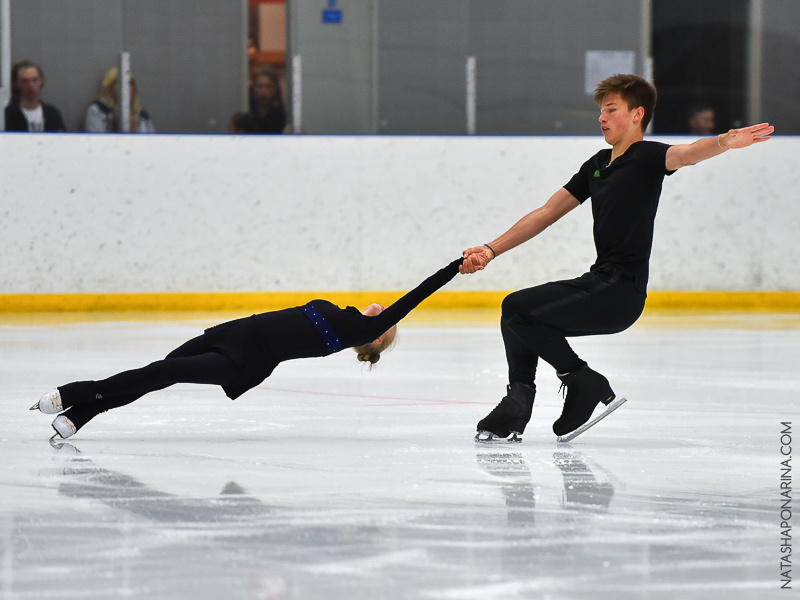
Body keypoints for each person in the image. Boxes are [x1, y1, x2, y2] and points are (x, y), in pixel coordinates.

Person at [460, 74, 773, 443]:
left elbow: (687, 154)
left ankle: (582, 380)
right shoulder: (597, 164)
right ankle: (519, 403)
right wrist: (491, 248)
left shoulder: (650, 157)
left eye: (611, 109)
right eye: (600, 111)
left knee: (517, 309)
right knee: (515, 313)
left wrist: (723, 141)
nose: (602, 118)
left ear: (637, 114)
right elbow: (546, 213)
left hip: (619, 291)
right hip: (600, 281)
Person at [31, 257, 464, 440]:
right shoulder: (345, 313)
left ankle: (73, 395)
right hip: (236, 332)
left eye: (388, 325)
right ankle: (83, 415)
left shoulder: (359, 329)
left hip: (244, 359)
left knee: (163, 374)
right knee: (162, 367)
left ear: (377, 337)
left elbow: (418, 293)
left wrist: (455, 267)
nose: (387, 311)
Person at [84, 67, 156, 133]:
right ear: (110, 87)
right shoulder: (98, 111)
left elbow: (152, 143)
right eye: (120, 82)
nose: (126, 87)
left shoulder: (142, 116)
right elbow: (96, 142)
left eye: (130, 83)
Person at [4, 60, 66, 132]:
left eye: (35, 80)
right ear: (17, 83)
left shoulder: (52, 114)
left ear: (41, 81)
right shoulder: (8, 115)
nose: (31, 85)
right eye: (25, 81)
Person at [246, 66, 286, 134]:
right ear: (253, 87)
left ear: (275, 89)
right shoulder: (246, 111)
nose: (264, 92)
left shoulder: (280, 115)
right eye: (260, 86)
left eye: (269, 87)